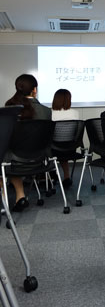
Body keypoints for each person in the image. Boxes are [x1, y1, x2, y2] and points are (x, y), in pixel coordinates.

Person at [4, 74, 51, 211]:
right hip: (40, 159)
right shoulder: (46, 111)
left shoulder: (10, 107)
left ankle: (17, 195)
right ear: (34, 89)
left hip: (14, 159)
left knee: (4, 154)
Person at [51, 89, 79, 187]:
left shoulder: (50, 114)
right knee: (63, 146)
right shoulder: (74, 113)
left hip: (54, 150)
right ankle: (66, 176)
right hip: (70, 149)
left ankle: (50, 176)